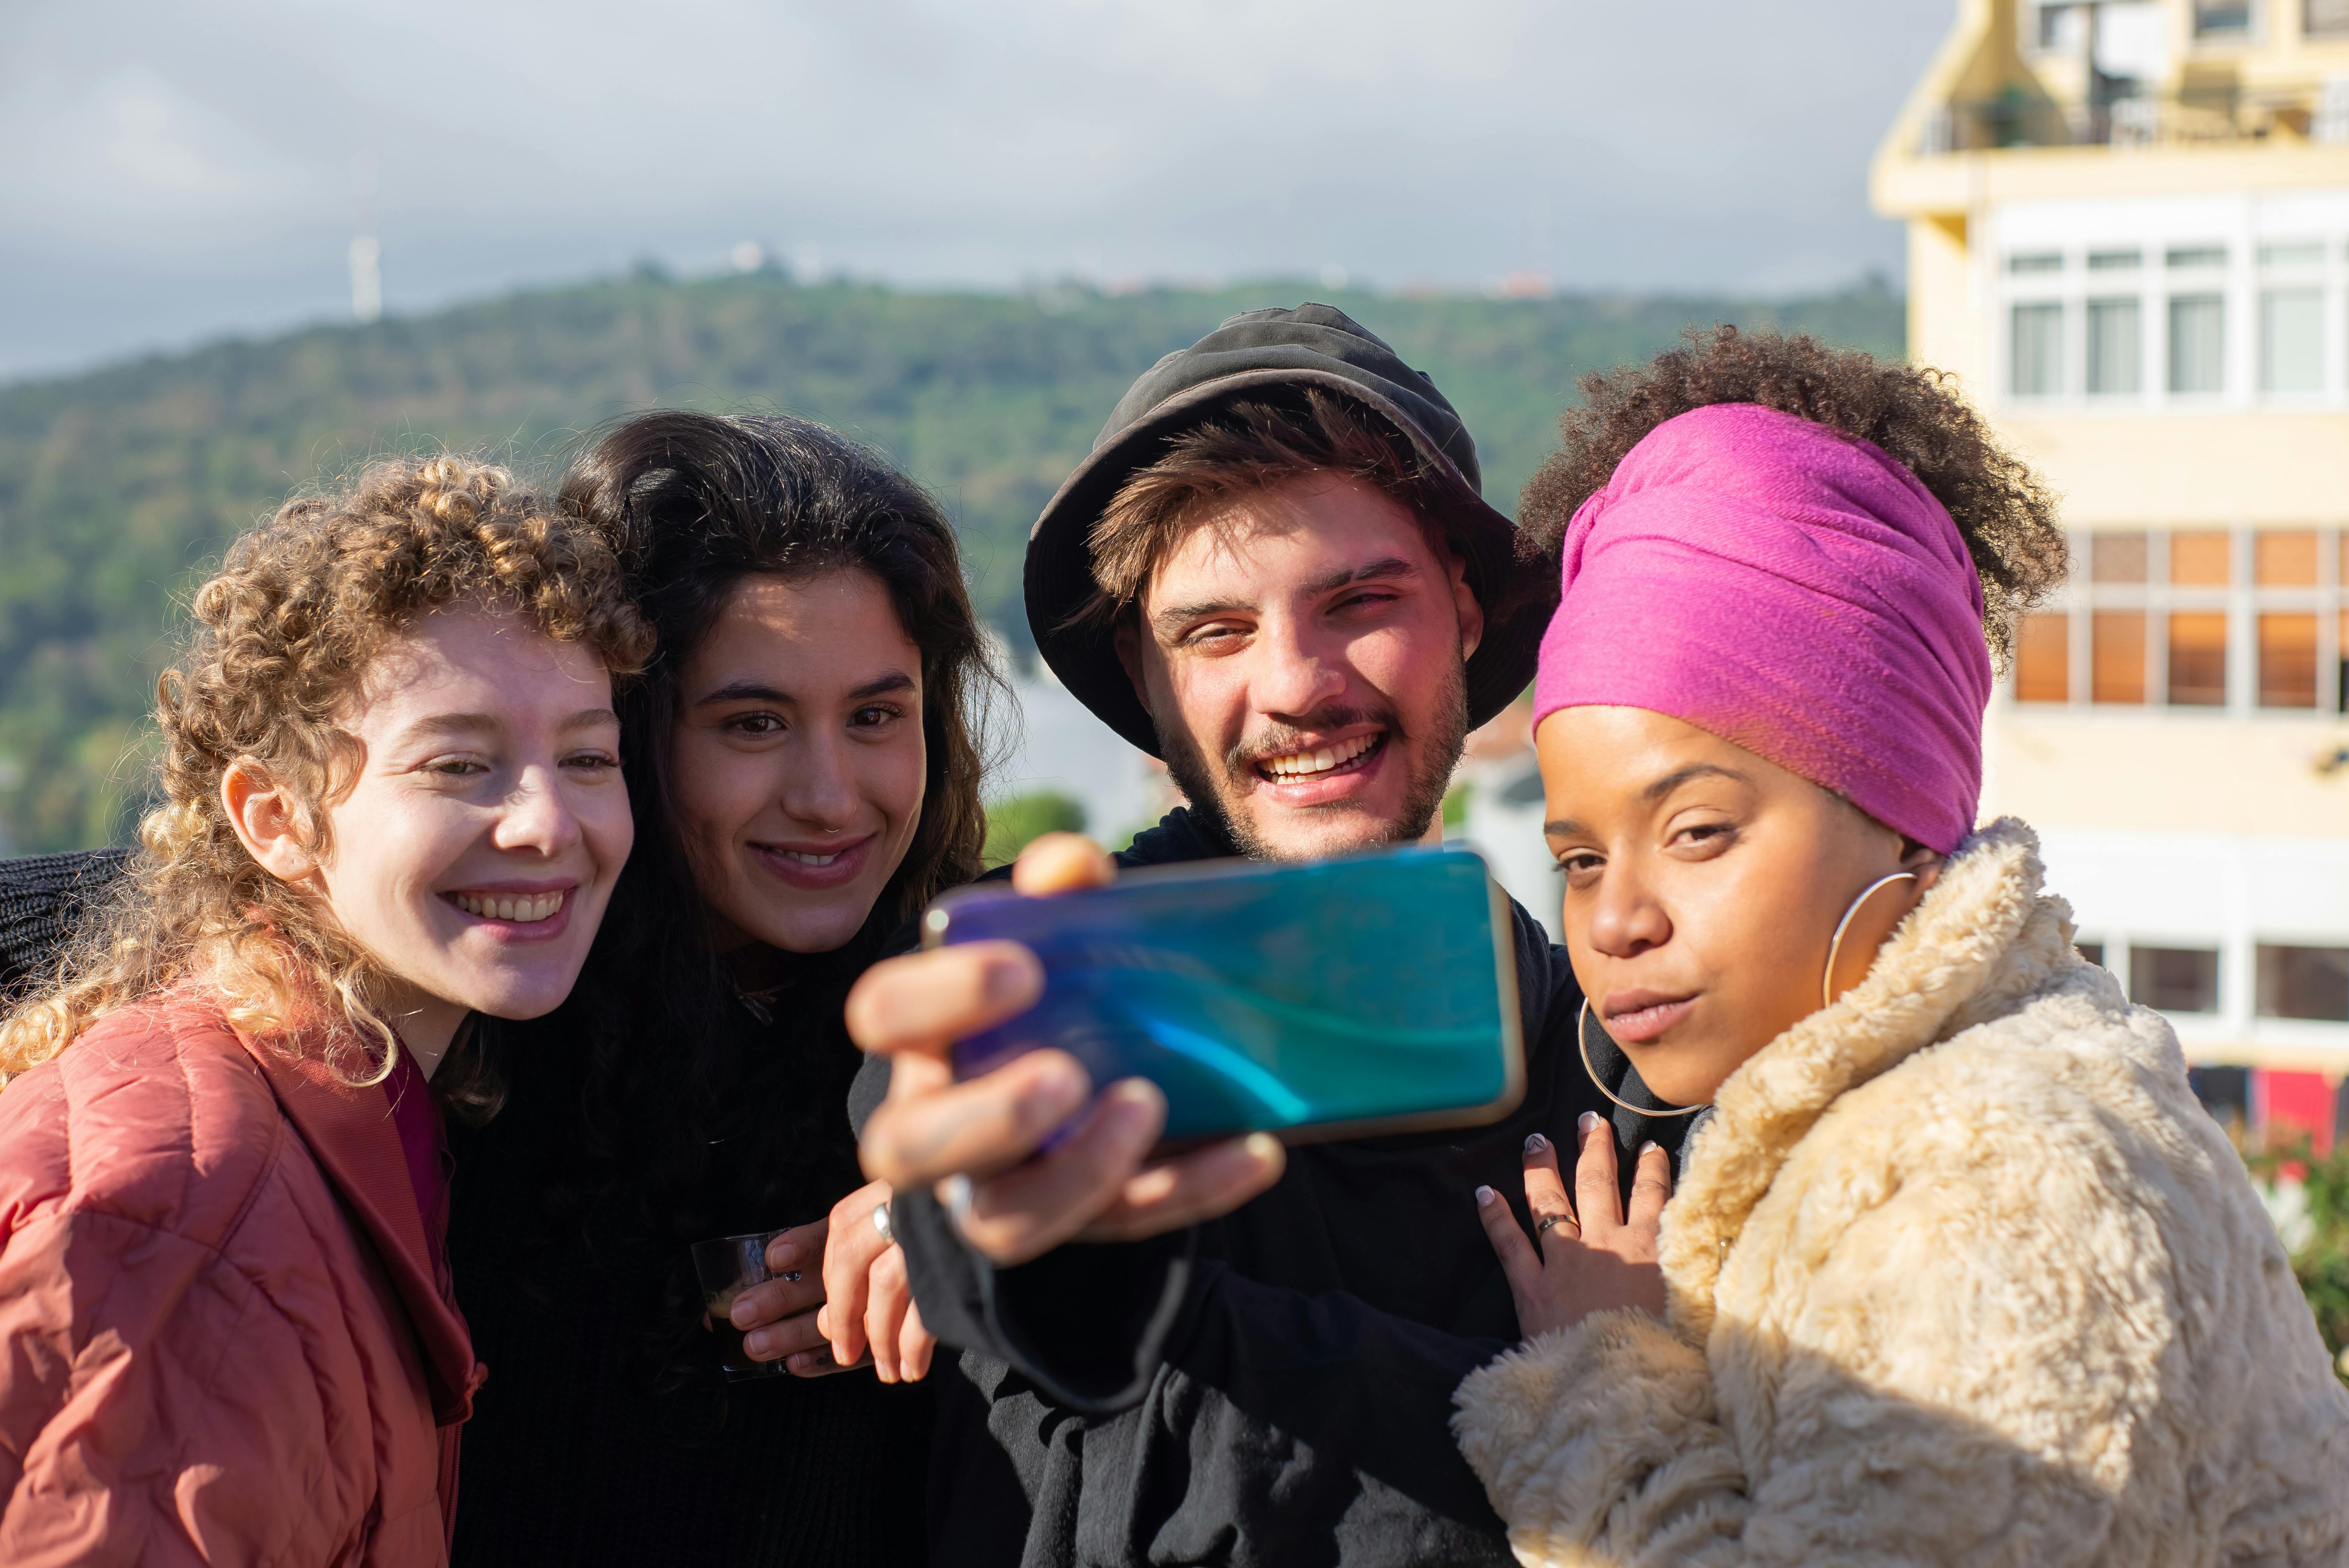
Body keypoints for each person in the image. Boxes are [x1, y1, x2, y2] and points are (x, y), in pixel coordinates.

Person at [1447, 330, 2349, 1564]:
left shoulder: (1987, 1190)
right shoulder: (1972, 1091)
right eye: (1581, 859)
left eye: (1698, 831)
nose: (1616, 920)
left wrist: (1598, 1383)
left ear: (1903, 813)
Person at [841, 305, 1676, 1566]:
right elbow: (1042, 1293)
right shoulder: (1028, 986)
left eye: (1360, 600)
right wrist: (994, 1206)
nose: (1296, 683)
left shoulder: (1624, 1064)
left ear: (1463, 606)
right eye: (1216, 633)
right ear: (1146, 672)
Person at [0, 455, 649, 1564]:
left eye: (588, 756)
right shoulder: (181, 1216)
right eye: (459, 764)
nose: (549, 822)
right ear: (274, 817)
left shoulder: (345, 1111)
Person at [444, 410, 995, 1566]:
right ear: (633, 731)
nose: (833, 797)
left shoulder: (975, 1007)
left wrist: (977, 1221)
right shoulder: (476, 1019)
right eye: (754, 723)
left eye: (877, 716)